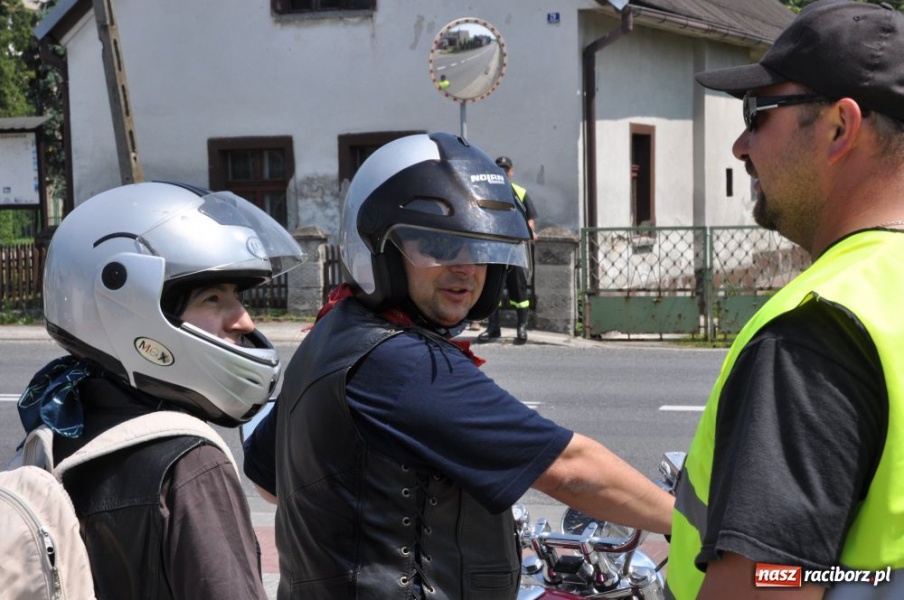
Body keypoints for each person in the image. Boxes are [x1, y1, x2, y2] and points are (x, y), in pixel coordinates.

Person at [243, 132, 673, 599]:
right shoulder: (403, 365)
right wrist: (699, 519)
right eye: (439, 245)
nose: (467, 267)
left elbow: (270, 481)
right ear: (379, 250)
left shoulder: (333, 336)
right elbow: (571, 468)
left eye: (481, 246)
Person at [666, 1, 904, 598]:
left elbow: (765, 587)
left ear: (840, 128)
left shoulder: (819, 328)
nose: (740, 147)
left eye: (757, 112)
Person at [17, 181, 306, 599]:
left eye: (237, 297)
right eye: (212, 298)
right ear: (130, 306)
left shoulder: (55, 434)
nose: (243, 320)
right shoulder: (189, 465)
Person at [477, 154, 538, 344]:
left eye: (505, 169)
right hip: (494, 249)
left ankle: (521, 327)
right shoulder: (485, 192)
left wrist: (528, 234)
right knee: (493, 289)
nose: (503, 172)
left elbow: (530, 220)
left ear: (510, 172)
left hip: (514, 249)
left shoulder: (520, 192)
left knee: (518, 290)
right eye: (499, 169)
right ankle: (493, 328)